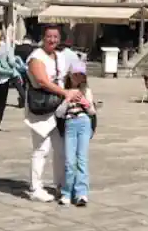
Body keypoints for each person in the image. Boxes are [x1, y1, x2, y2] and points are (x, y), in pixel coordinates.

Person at [24, 25, 82, 202]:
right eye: (49, 36)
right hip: (42, 107)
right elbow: (42, 81)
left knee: (61, 148)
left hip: (58, 107)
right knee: (41, 148)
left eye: (55, 37)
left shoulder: (59, 56)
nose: (52, 40)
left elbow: (71, 74)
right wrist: (65, 93)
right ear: (43, 37)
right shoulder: (36, 57)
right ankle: (36, 187)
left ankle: (61, 184)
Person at [55, 61, 97, 206]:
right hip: (70, 125)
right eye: (75, 75)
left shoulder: (87, 91)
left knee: (82, 160)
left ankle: (81, 193)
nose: (78, 78)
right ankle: (67, 192)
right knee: (69, 161)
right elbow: (59, 113)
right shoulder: (64, 90)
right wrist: (67, 100)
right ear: (70, 76)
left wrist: (85, 103)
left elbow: (92, 112)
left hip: (84, 123)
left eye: (81, 75)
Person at [11, 36, 35, 108]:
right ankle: (26, 101)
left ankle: (22, 101)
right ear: (30, 40)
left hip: (19, 70)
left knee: (21, 86)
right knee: (28, 86)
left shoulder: (17, 48)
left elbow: (14, 58)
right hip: (28, 69)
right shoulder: (32, 49)